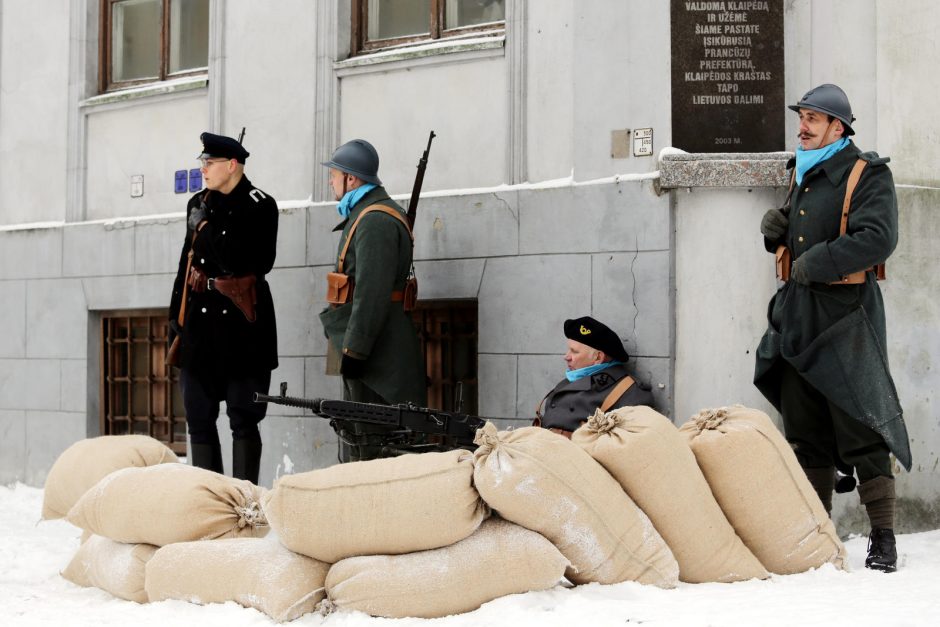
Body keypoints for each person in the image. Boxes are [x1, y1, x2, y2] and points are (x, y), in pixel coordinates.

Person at [754, 84, 911, 573]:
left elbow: (878, 238)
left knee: (861, 425)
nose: (802, 127)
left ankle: (882, 537)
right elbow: (802, 232)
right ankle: (819, 532)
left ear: (837, 128)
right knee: (806, 431)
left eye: (813, 120)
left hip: (846, 317)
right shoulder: (803, 169)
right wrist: (777, 234)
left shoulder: (867, 173)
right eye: (802, 117)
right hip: (800, 316)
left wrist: (818, 261)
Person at [167, 131, 279, 484]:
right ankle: (208, 503)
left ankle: (244, 503)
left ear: (232, 166)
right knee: (198, 418)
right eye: (202, 162)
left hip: (243, 329)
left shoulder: (261, 205)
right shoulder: (199, 202)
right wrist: (175, 320)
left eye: (209, 163)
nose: (203, 169)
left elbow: (247, 261)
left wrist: (205, 225)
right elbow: (186, 264)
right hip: (200, 326)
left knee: (243, 419)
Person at [318, 139, 426, 462]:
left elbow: (371, 293)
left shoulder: (374, 220)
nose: (330, 181)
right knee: (361, 440)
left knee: (372, 448)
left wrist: (355, 349)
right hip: (372, 352)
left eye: (334, 175)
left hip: (377, 358)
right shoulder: (366, 214)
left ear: (352, 179)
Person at [535, 316, 654, 437]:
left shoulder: (630, 391)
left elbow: (629, 444)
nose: (567, 356)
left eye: (574, 351)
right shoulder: (569, 382)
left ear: (598, 357)